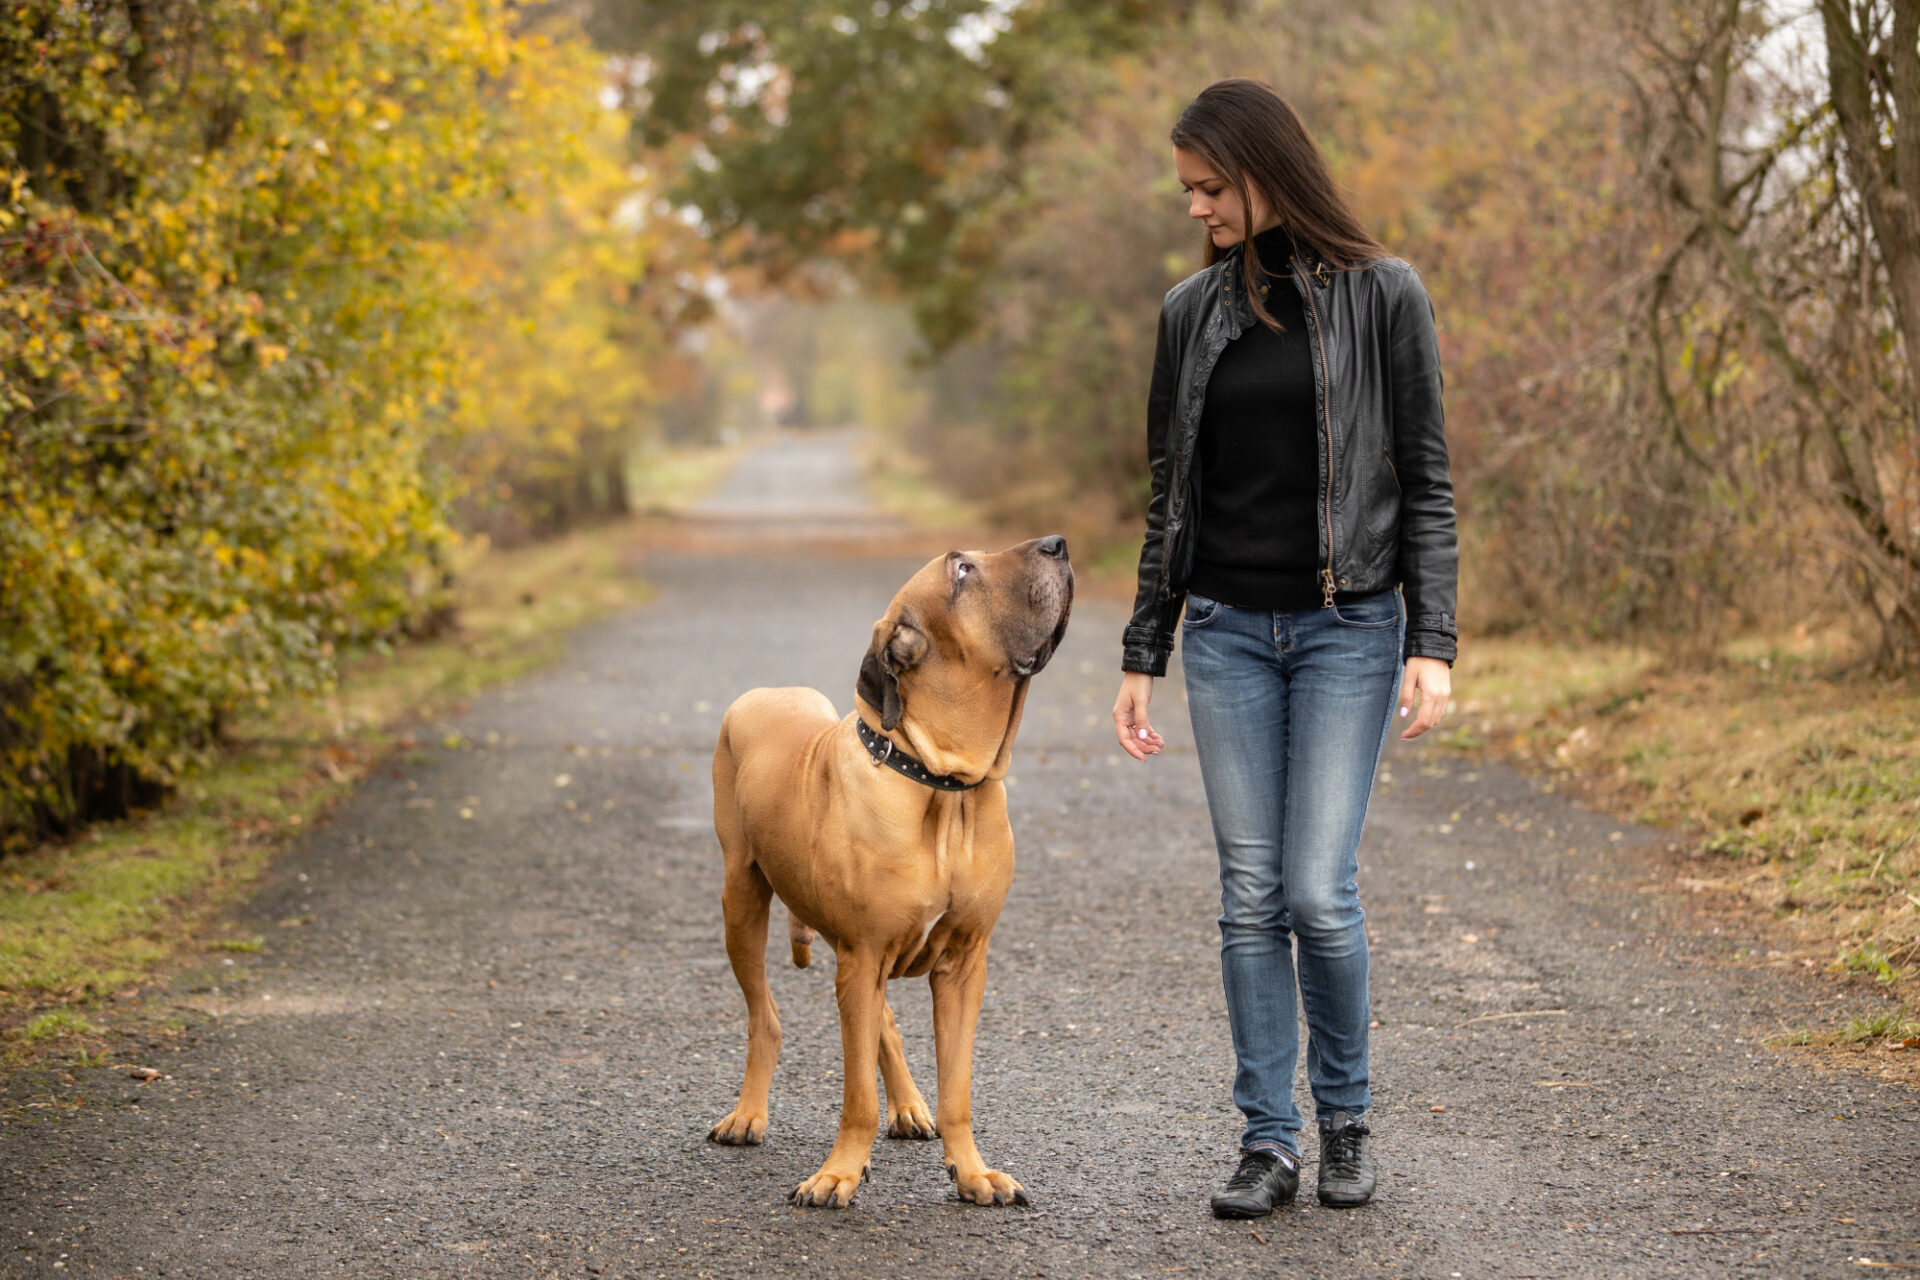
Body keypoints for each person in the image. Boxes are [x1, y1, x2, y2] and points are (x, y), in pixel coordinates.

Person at [1111, 78, 1457, 1219]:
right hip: (1223, 633)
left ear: (1267, 170)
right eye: (1187, 191)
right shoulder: (1187, 311)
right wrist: (1142, 648)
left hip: (1351, 626)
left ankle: (1346, 1116)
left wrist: (1434, 641)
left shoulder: (1384, 295)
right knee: (1249, 893)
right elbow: (1172, 493)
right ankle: (1269, 1139)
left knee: (1318, 887)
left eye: (1210, 187)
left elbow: (1427, 481)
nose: (1197, 208)